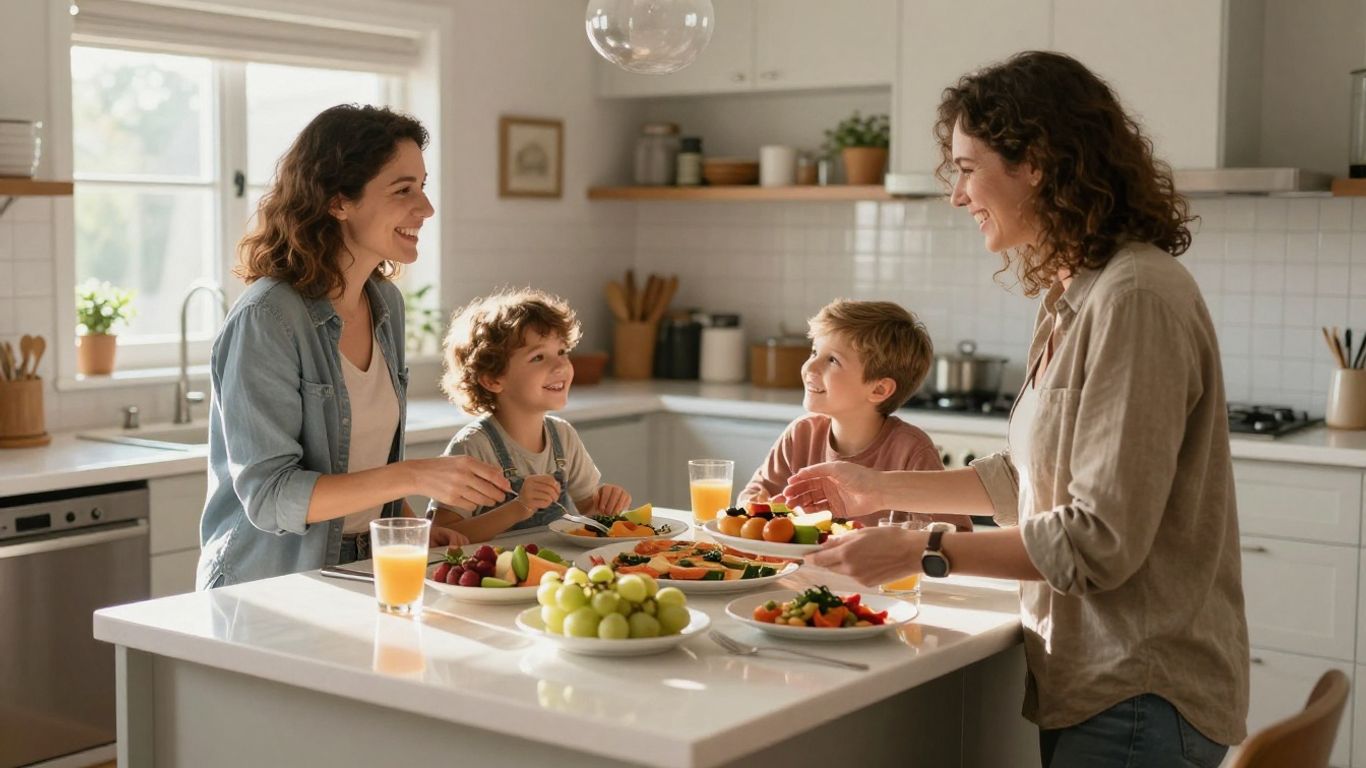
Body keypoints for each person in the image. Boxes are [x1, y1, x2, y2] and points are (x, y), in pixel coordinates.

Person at [788, 51, 1248, 768]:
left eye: (968, 169)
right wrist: (874, 489)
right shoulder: (1075, 294)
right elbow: (1031, 480)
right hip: (1097, 680)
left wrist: (920, 549)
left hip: (1138, 691)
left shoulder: (1134, 298)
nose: (957, 194)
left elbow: (1100, 539)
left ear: (1035, 161)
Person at [198, 105, 510, 589]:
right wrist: (414, 476)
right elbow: (269, 497)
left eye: (423, 187)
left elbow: (367, 463)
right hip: (270, 583)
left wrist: (413, 525)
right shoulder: (268, 319)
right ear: (339, 201)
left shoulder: (384, 303)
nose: (425, 208)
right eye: (403, 190)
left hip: (365, 569)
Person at [738, 299, 969, 530]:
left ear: (879, 389)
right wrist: (759, 505)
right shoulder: (801, 435)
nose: (809, 367)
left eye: (832, 360)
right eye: (814, 352)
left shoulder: (911, 451)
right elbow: (753, 498)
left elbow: (957, 536)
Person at [428, 288, 632, 542]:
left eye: (561, 352)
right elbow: (441, 536)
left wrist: (606, 505)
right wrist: (519, 508)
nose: (560, 365)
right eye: (538, 357)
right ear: (493, 379)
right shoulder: (473, 446)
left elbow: (589, 513)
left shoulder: (563, 436)